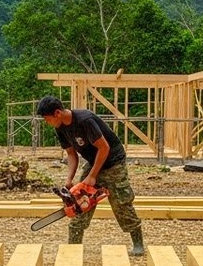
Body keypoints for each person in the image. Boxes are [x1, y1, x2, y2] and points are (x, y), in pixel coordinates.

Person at [36, 95, 145, 255]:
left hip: (113, 162)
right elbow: (71, 154)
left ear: (57, 113)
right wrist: (69, 179)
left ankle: (138, 244)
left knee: (121, 203)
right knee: (78, 203)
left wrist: (92, 176)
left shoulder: (84, 120)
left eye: (47, 119)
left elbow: (104, 148)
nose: (47, 122)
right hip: (94, 161)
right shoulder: (60, 128)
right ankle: (73, 247)